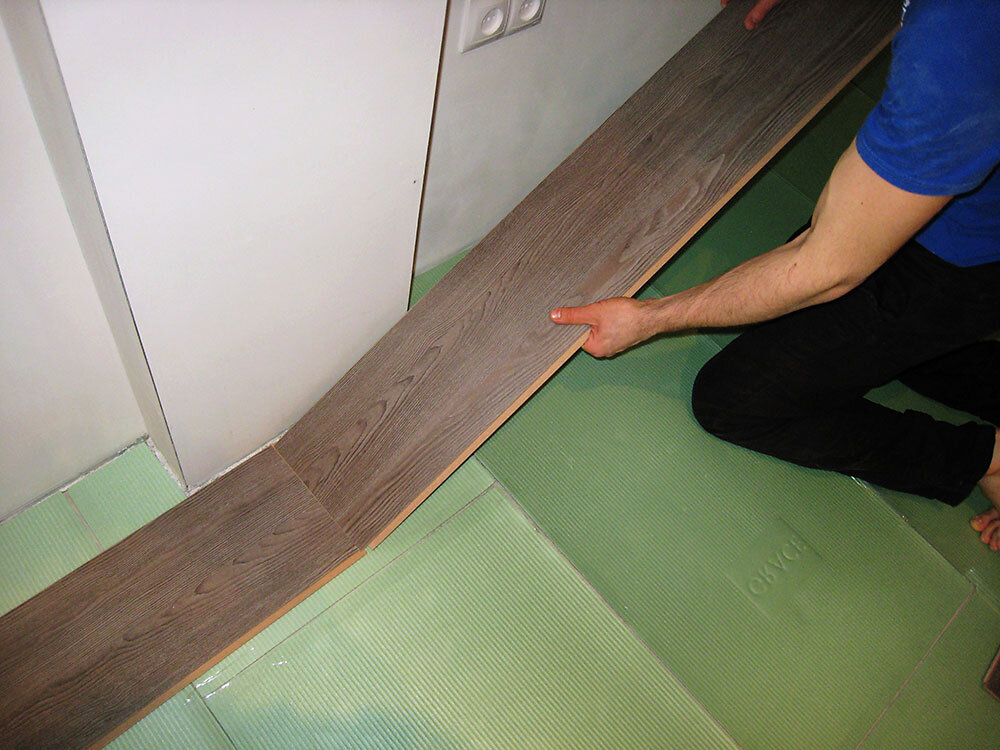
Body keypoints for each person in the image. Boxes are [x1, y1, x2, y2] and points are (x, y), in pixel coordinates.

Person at [550, 0, 1000, 548]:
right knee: (865, 336)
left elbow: (827, 268)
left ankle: (987, 459)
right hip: (964, 225)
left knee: (734, 400)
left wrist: (650, 318)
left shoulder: (958, 48)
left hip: (960, 264)